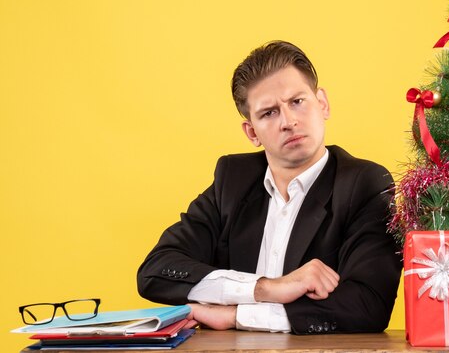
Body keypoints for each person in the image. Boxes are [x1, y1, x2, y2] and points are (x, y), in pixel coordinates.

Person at [137, 41, 402, 334]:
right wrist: (266, 289)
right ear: (252, 132)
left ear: (322, 104)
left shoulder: (364, 183)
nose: (288, 121)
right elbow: (155, 271)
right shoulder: (233, 180)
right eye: (269, 113)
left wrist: (235, 315)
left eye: (297, 101)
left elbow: (369, 305)